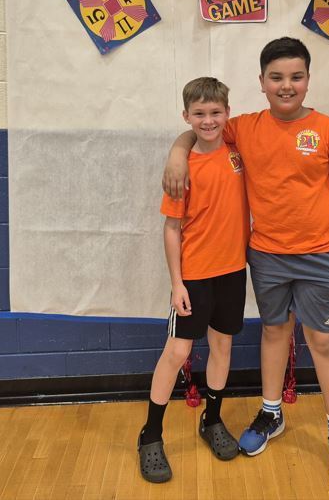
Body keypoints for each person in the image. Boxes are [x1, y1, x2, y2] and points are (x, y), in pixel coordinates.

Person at [162, 37, 329, 488]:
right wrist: (177, 152)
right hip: (267, 256)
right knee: (274, 332)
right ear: (262, 82)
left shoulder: (328, 131)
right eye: (276, 77)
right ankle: (272, 413)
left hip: (320, 256)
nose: (286, 85)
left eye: (295, 77)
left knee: (324, 340)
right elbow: (201, 126)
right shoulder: (246, 127)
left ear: (307, 80)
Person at [138, 77, 251, 484]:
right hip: (194, 277)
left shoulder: (237, 152)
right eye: (199, 114)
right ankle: (151, 435)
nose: (208, 120)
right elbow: (172, 229)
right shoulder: (182, 170)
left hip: (232, 272)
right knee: (178, 351)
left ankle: (212, 419)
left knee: (223, 347)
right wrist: (177, 283)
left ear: (227, 113)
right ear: (186, 116)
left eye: (215, 112)